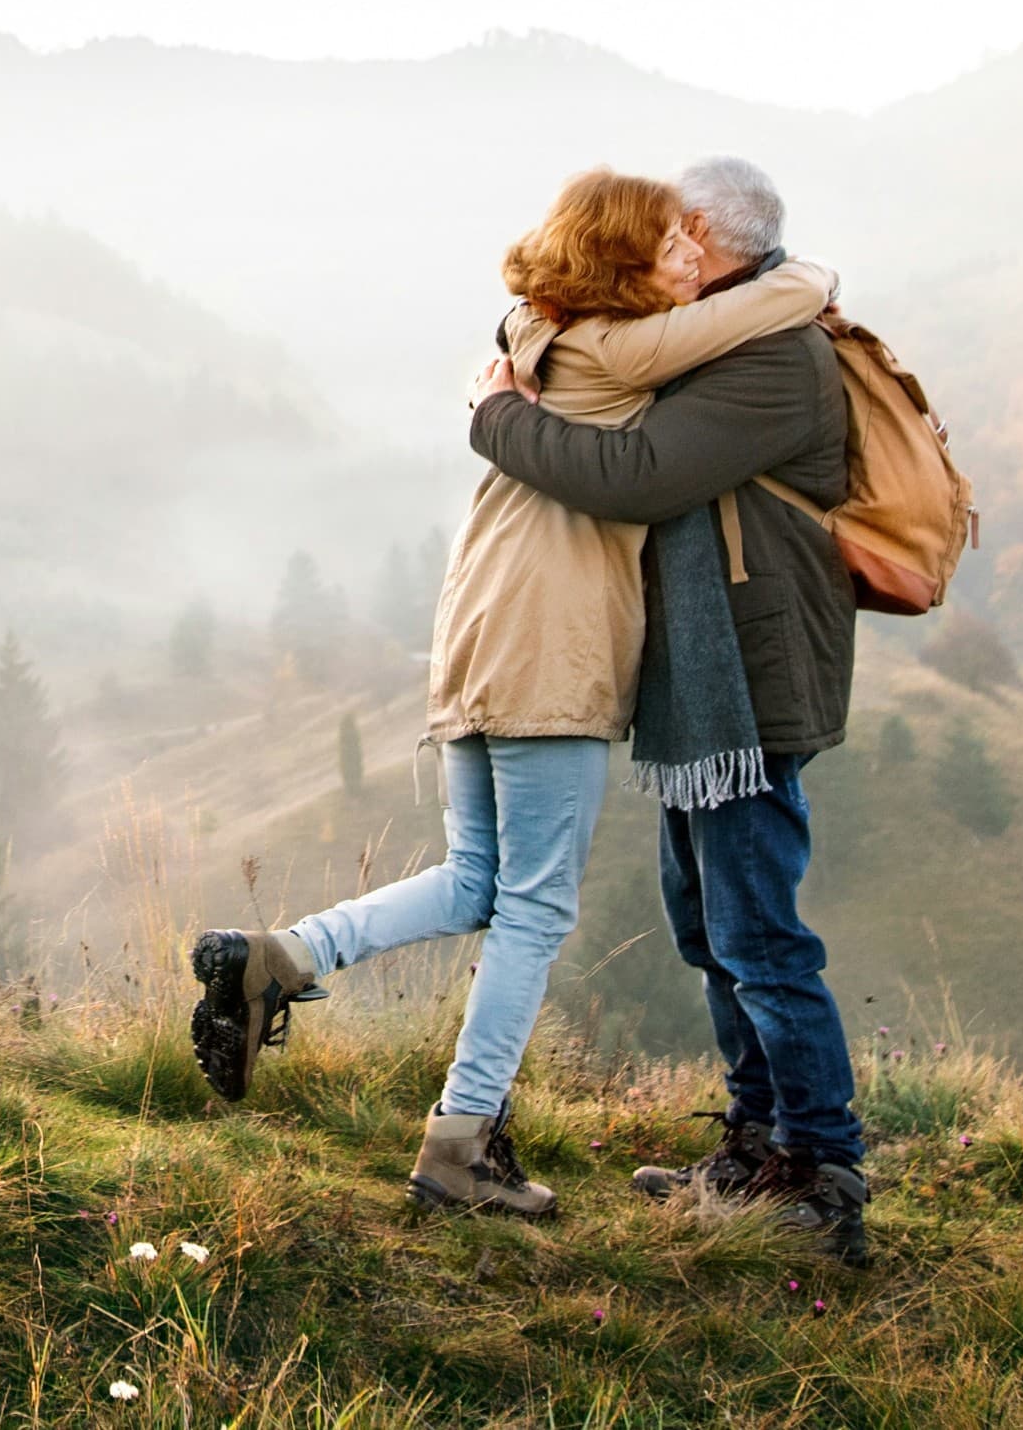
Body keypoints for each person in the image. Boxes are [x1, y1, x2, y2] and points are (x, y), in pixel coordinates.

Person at [188, 167, 838, 1218]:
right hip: (551, 641)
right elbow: (759, 315)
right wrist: (811, 275)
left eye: (692, 243)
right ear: (624, 265)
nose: (688, 267)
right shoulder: (620, 344)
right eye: (669, 247)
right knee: (534, 910)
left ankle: (281, 957)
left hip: (477, 626)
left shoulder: (541, 330)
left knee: (476, 878)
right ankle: (460, 1142)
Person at [467, 155, 871, 1262]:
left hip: (749, 677)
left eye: (675, 228)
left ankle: (822, 1172)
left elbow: (637, 476)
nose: (666, 246)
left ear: (698, 227)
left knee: (757, 932)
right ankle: (753, 1146)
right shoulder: (719, 330)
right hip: (705, 678)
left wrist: (496, 421)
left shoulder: (773, 354)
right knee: (708, 923)